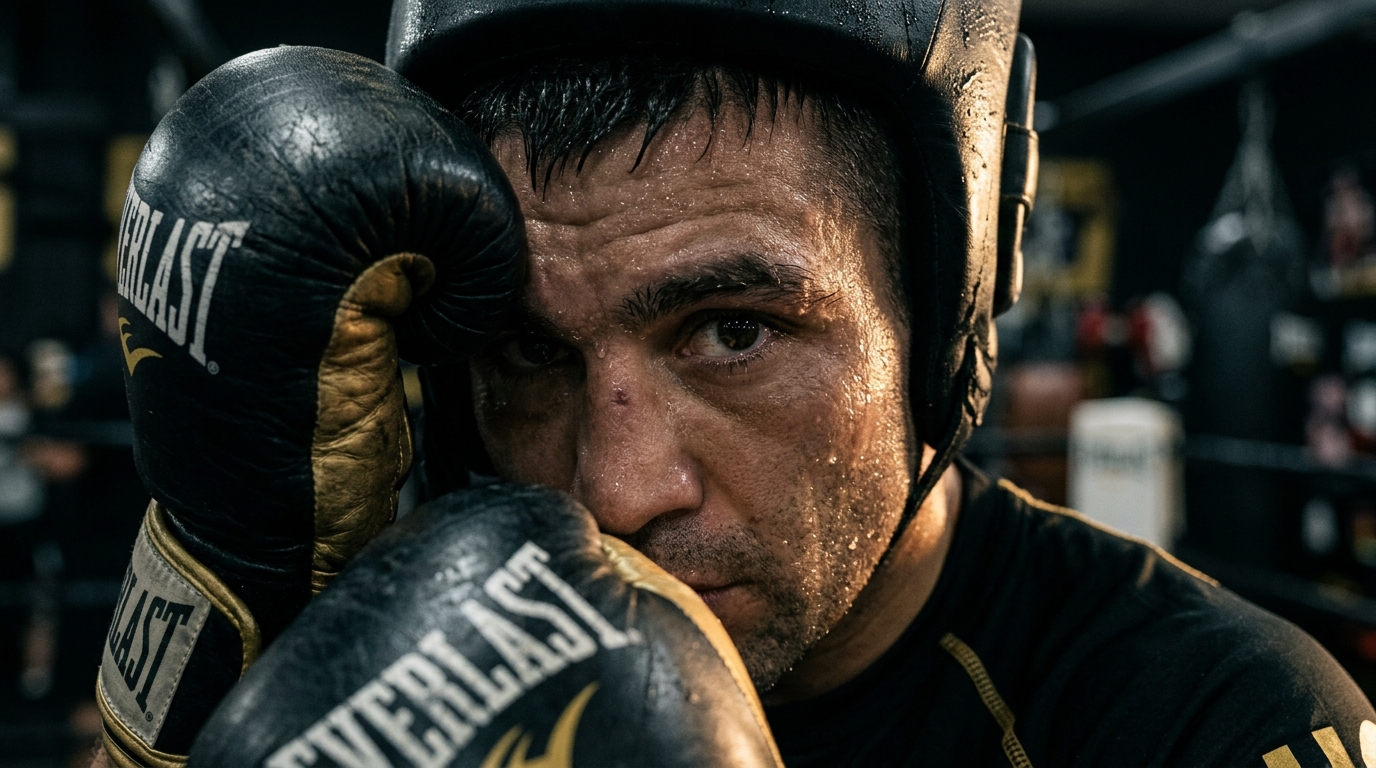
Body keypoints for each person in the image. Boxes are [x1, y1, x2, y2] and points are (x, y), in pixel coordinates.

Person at [94, 1, 1376, 767]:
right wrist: (216, 603)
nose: (616, 490)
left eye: (731, 331)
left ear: (942, 314)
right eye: (528, 354)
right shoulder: (401, 613)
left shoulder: (1207, 724)